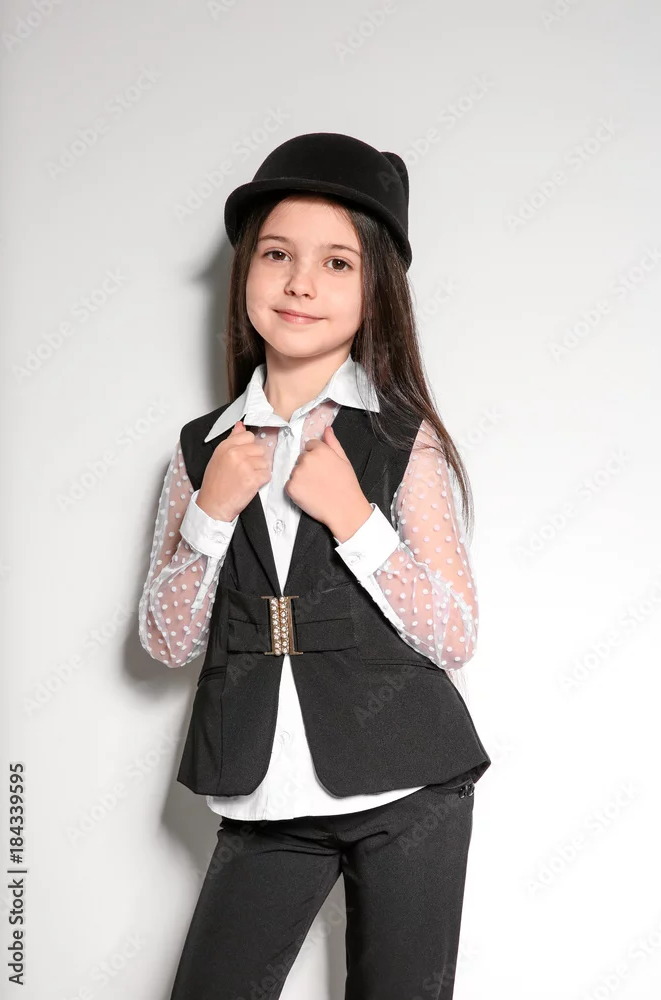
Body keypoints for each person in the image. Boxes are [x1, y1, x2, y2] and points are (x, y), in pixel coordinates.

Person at [138, 132, 491, 1000]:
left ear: (377, 291)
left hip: (409, 784)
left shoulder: (403, 440)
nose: (300, 282)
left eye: (337, 262)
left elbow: (453, 633)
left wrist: (354, 516)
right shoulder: (200, 450)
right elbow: (165, 642)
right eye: (277, 254)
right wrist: (211, 514)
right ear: (246, 272)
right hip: (262, 792)